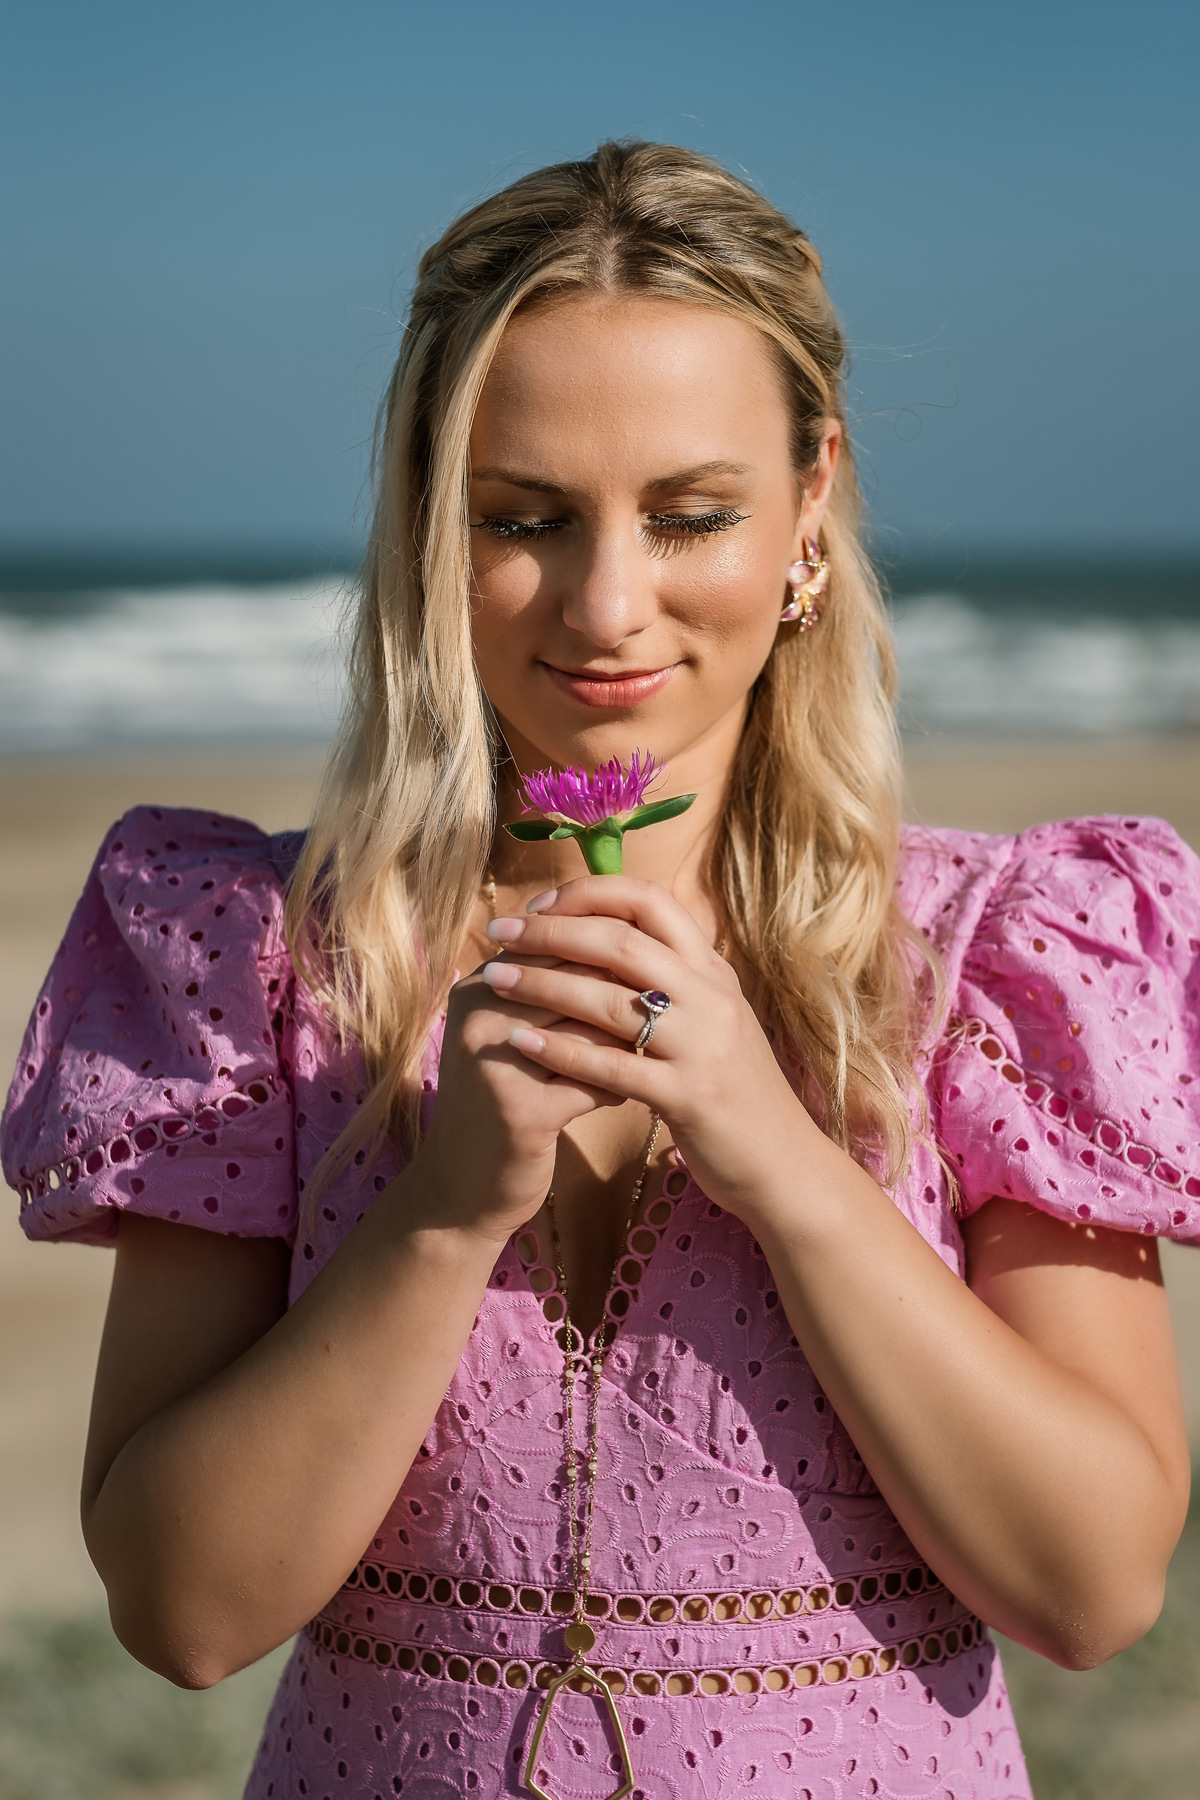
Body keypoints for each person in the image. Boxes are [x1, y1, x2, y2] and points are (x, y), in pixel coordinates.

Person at [4, 140, 1197, 1800]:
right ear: (430, 516)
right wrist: (442, 1212)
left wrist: (786, 1163)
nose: (608, 603)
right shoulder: (253, 957)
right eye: (524, 518)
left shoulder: (997, 958)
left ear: (814, 501)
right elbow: (184, 1613)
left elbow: (1091, 1588)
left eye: (692, 514)